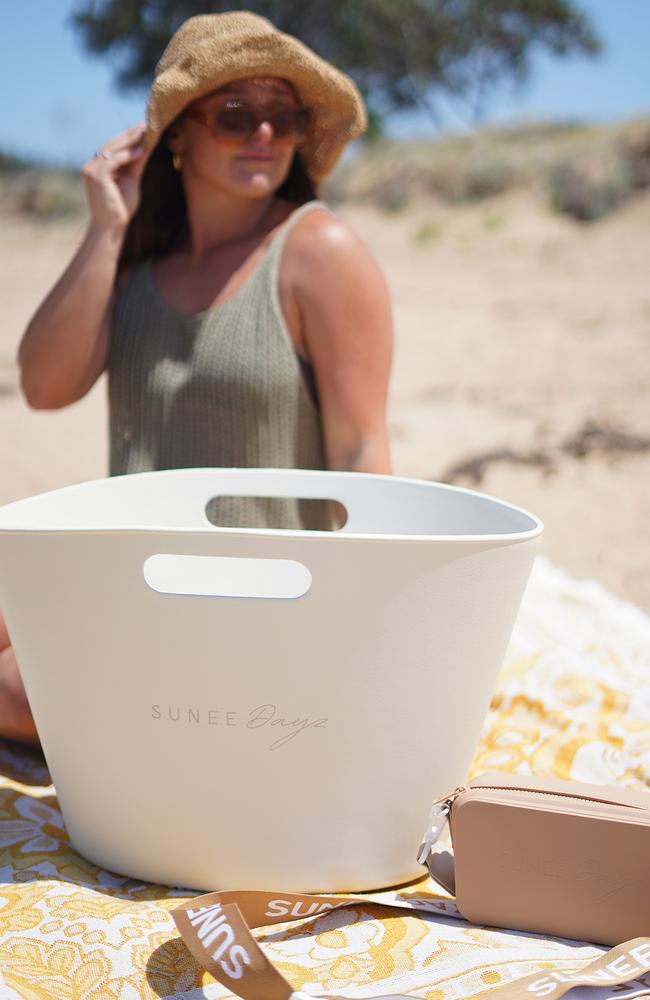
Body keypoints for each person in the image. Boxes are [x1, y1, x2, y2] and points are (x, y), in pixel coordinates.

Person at [0, 11, 393, 746]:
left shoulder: (318, 251)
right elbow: (44, 385)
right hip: (131, 581)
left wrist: (353, 637)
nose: (267, 136)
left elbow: (364, 454)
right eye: (238, 115)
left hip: (254, 603)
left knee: (17, 689)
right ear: (178, 134)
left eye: (286, 116)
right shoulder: (140, 268)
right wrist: (106, 229)